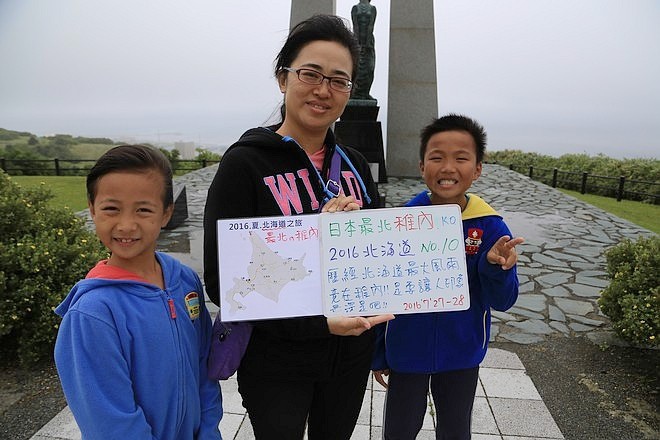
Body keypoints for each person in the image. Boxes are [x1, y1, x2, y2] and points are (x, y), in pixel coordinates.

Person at [203, 14, 393, 440]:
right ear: (282, 78)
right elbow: (224, 284)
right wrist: (313, 237)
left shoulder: (356, 167)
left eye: (339, 80)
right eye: (311, 73)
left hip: (348, 357)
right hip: (276, 361)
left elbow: (376, 267)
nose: (323, 90)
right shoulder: (245, 163)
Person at [372, 114, 524, 440]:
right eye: (436, 157)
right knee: (399, 430)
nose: (447, 167)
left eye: (461, 158)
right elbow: (382, 291)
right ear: (421, 166)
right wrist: (379, 353)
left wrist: (497, 268)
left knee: (455, 430)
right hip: (406, 351)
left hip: (462, 352)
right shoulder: (400, 223)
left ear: (478, 168)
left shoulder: (492, 228)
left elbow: (504, 300)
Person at [54, 145, 223, 440]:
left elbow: (203, 368)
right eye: (111, 208)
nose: (126, 225)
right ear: (92, 209)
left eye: (143, 209)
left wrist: (209, 432)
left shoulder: (183, 280)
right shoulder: (93, 313)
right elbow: (111, 422)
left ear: (166, 213)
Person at [351, 0, 377, 100]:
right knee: (356, 67)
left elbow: (371, 25)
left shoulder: (372, 8)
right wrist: (357, 43)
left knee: (369, 68)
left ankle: (365, 93)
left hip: (369, 42)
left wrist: (366, 43)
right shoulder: (355, 8)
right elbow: (355, 26)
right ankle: (355, 92)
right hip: (357, 41)